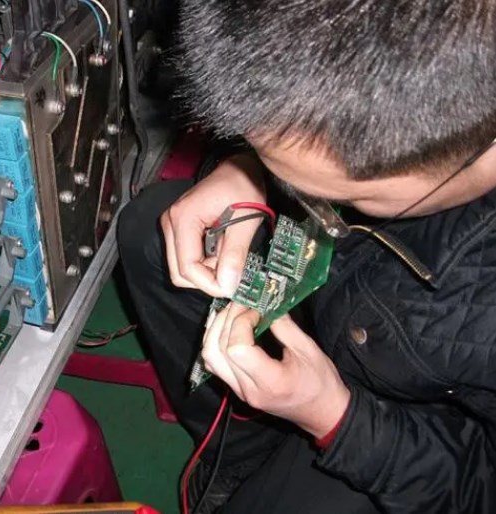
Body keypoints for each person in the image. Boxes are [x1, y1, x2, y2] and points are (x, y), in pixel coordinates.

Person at [118, 1, 496, 513]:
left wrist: (334, 418)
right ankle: (237, 454)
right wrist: (247, 172)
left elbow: (476, 492)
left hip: (405, 430)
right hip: (348, 309)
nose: (302, 194)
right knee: (150, 234)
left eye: (327, 195)